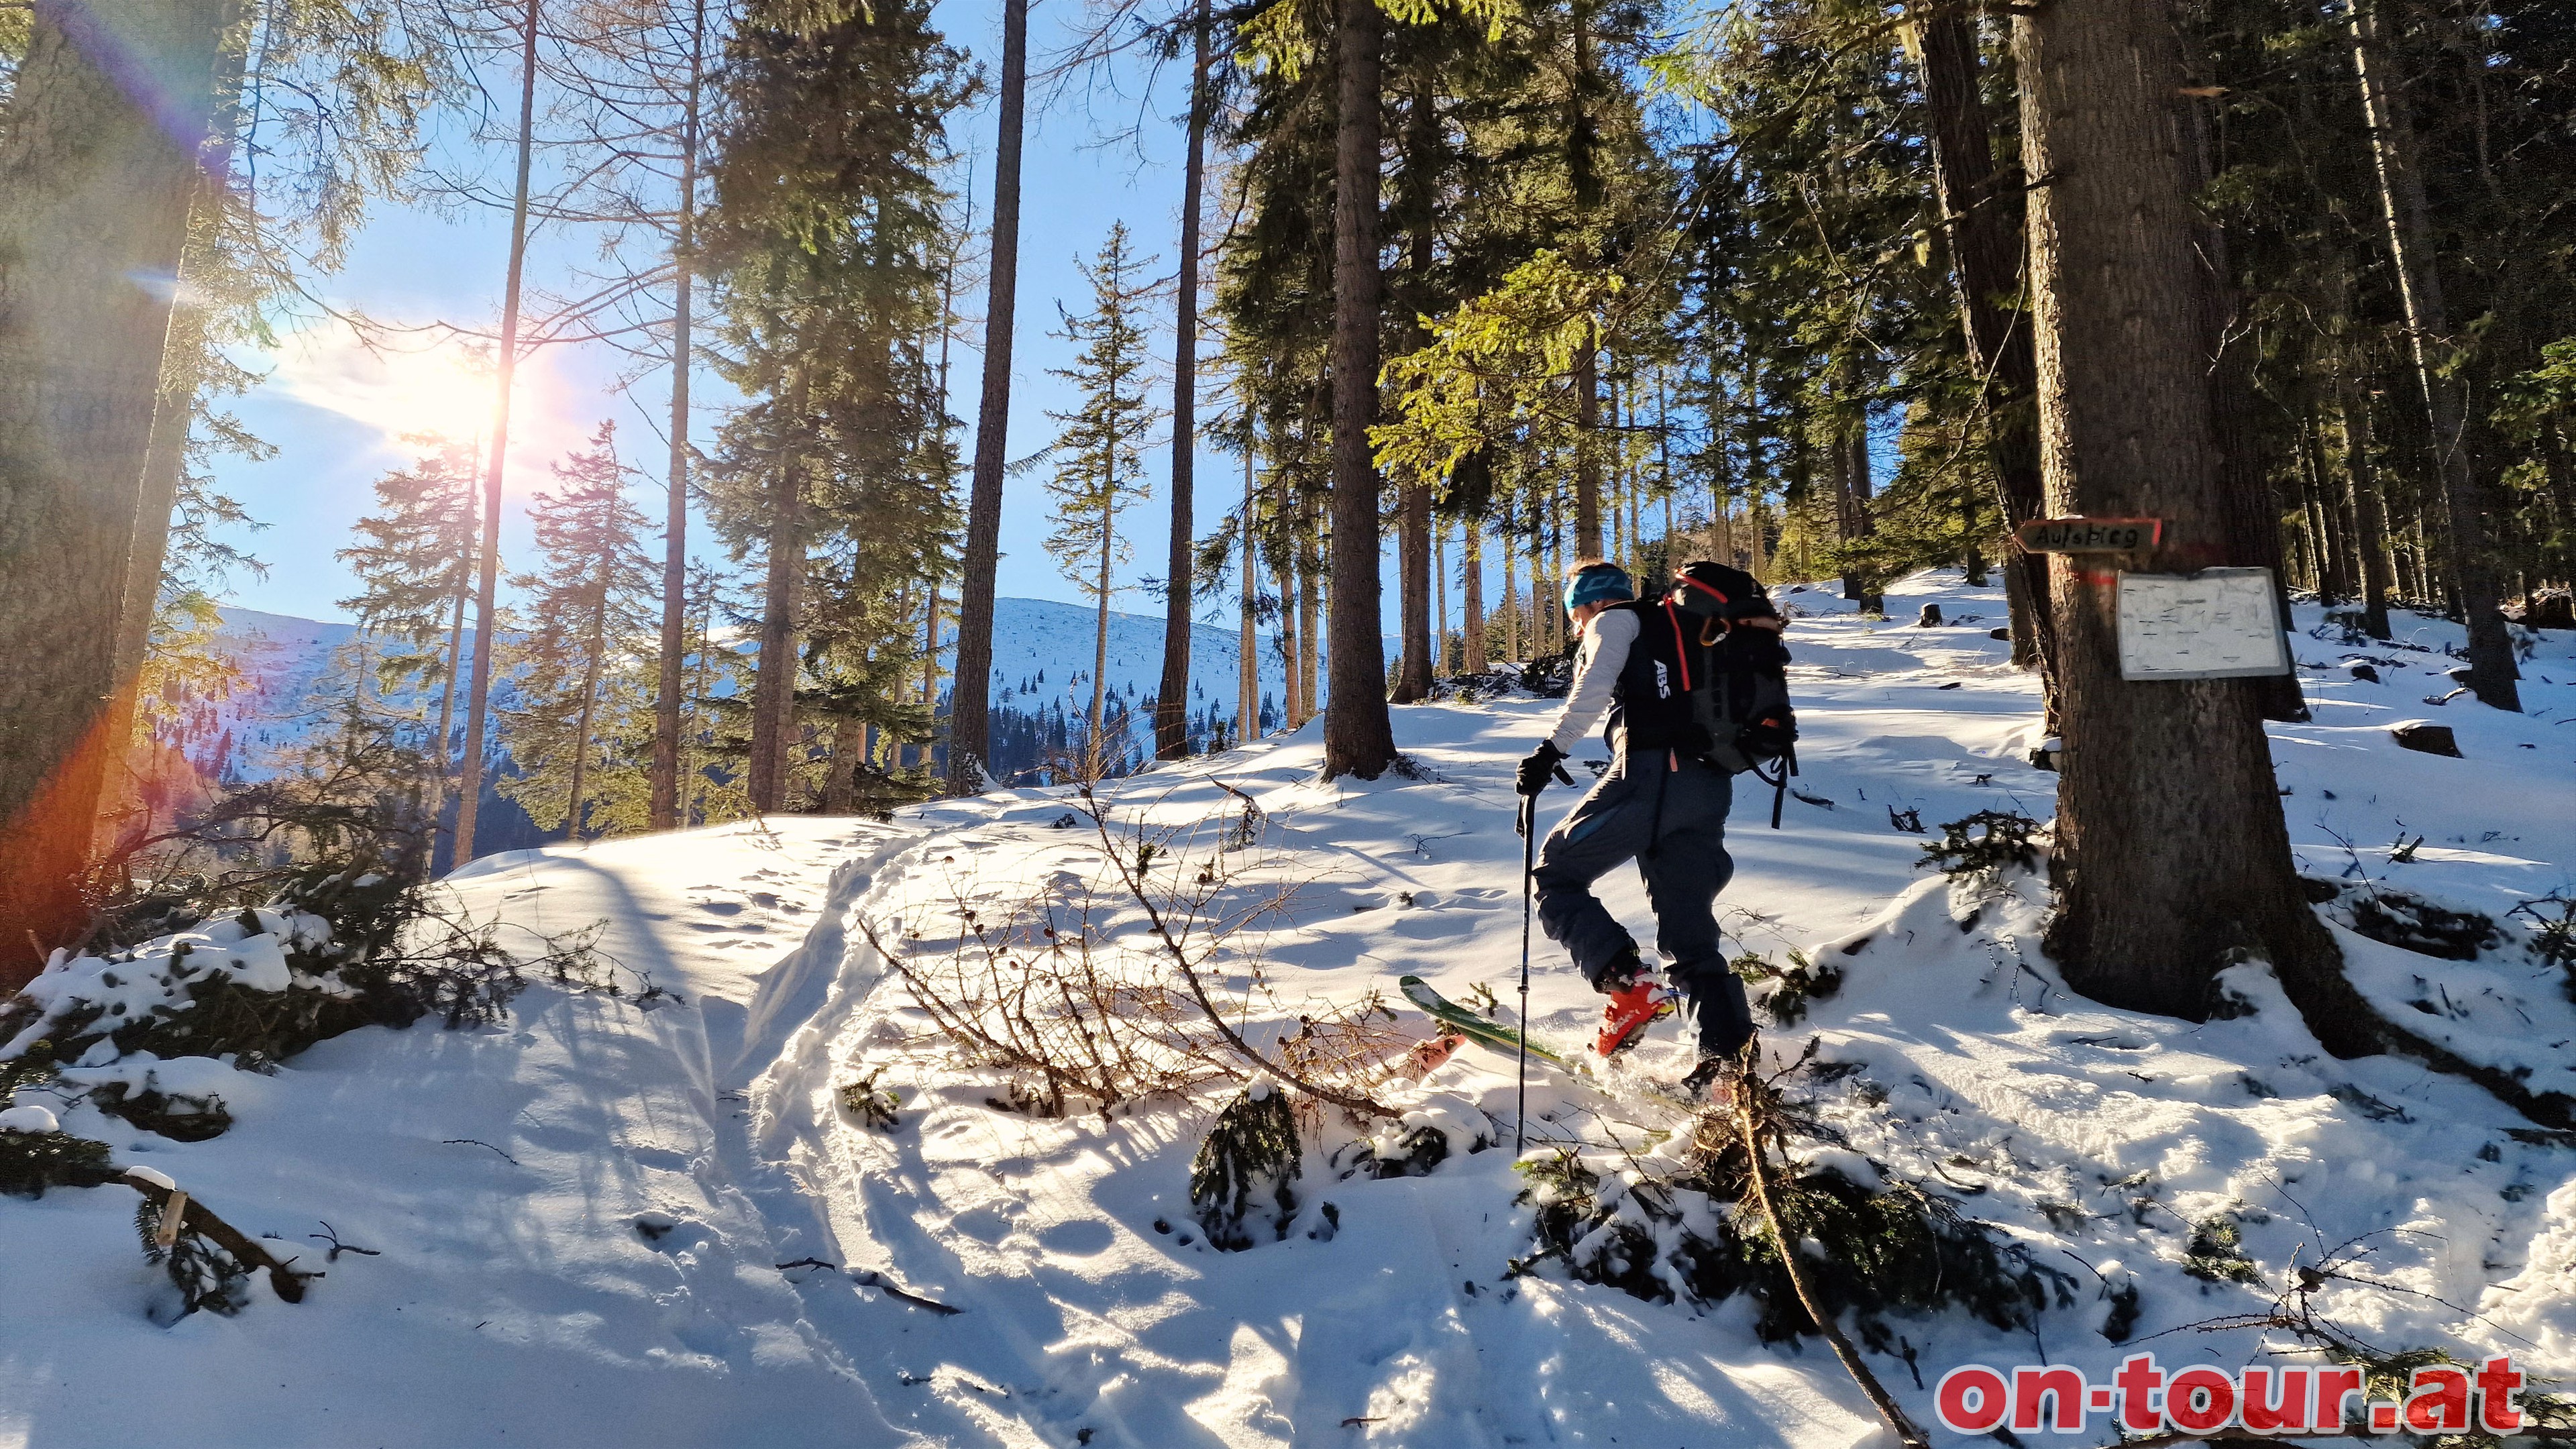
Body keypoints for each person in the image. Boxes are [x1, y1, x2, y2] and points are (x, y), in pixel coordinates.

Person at [1516, 559, 1762, 1102]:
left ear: (1587, 603)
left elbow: (1592, 690)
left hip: (1653, 775)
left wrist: (1548, 752)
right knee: (1690, 935)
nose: (1578, 626)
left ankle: (1629, 987)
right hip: (1707, 788)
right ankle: (1729, 1065)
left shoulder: (1615, 621)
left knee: (1555, 873)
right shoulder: (1676, 630)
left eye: (1574, 614)